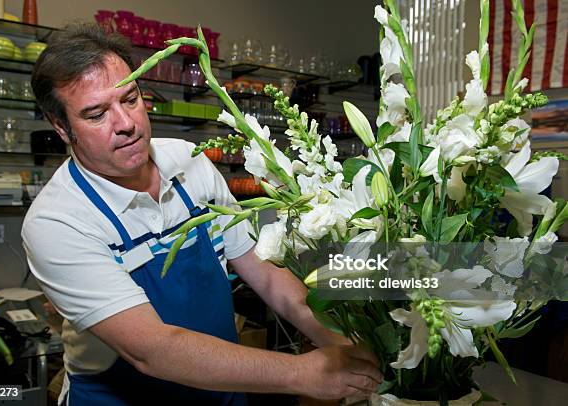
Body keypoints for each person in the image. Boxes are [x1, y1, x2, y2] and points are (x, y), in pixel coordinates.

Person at [22, 23, 382, 405]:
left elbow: (267, 275)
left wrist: (342, 344)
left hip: (220, 388)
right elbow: (153, 350)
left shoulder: (188, 162)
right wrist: (303, 373)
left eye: (130, 99)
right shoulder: (57, 222)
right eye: (96, 115)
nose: (126, 124)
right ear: (61, 127)